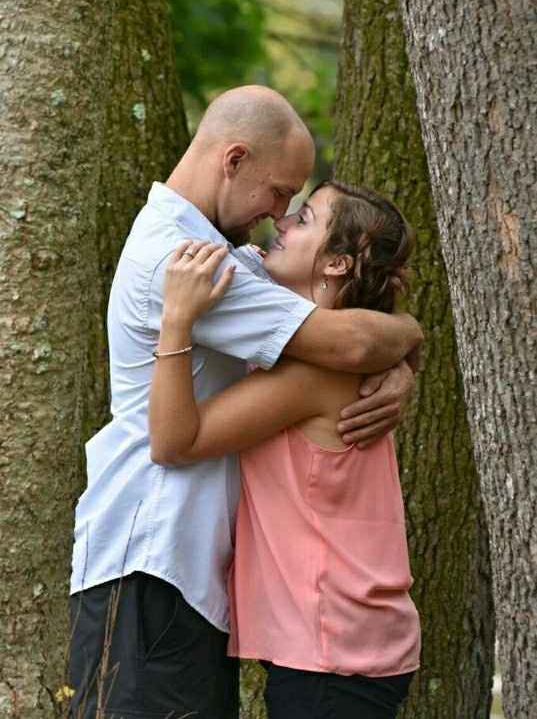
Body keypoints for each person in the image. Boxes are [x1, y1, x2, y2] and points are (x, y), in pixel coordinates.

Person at [68, 86, 422, 719]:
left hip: (195, 577)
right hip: (151, 561)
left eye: (295, 207)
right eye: (280, 193)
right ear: (233, 161)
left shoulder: (228, 255)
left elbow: (355, 340)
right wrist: (403, 346)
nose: (277, 216)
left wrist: (400, 363)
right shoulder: (188, 266)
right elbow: (353, 341)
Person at [149, 181, 420, 719]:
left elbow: (175, 441)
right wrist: (409, 339)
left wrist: (176, 320)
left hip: (334, 650)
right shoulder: (332, 354)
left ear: (338, 263)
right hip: (343, 644)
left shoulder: (313, 374)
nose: (284, 223)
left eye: (306, 219)